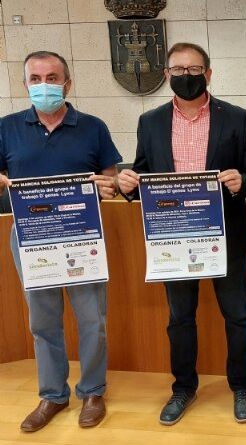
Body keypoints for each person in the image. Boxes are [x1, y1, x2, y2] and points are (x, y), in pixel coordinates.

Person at [118, 42, 246, 425]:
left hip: (224, 235)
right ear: (167, 74)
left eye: (194, 69)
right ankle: (183, 388)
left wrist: (242, 181)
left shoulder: (236, 118)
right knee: (180, 318)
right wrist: (128, 184)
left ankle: (242, 386)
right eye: (179, 70)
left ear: (208, 74)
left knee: (238, 315)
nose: (187, 76)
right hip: (173, 238)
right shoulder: (150, 122)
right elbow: (143, 175)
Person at [0, 51, 121, 432]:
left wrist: (109, 186)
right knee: (43, 321)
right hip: (31, 239)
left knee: (92, 320)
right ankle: (52, 394)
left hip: (82, 239)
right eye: (35, 79)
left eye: (52, 78)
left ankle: (93, 391)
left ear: (67, 83)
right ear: (25, 84)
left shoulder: (93, 127)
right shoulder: (6, 128)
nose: (44, 85)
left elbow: (111, 179)